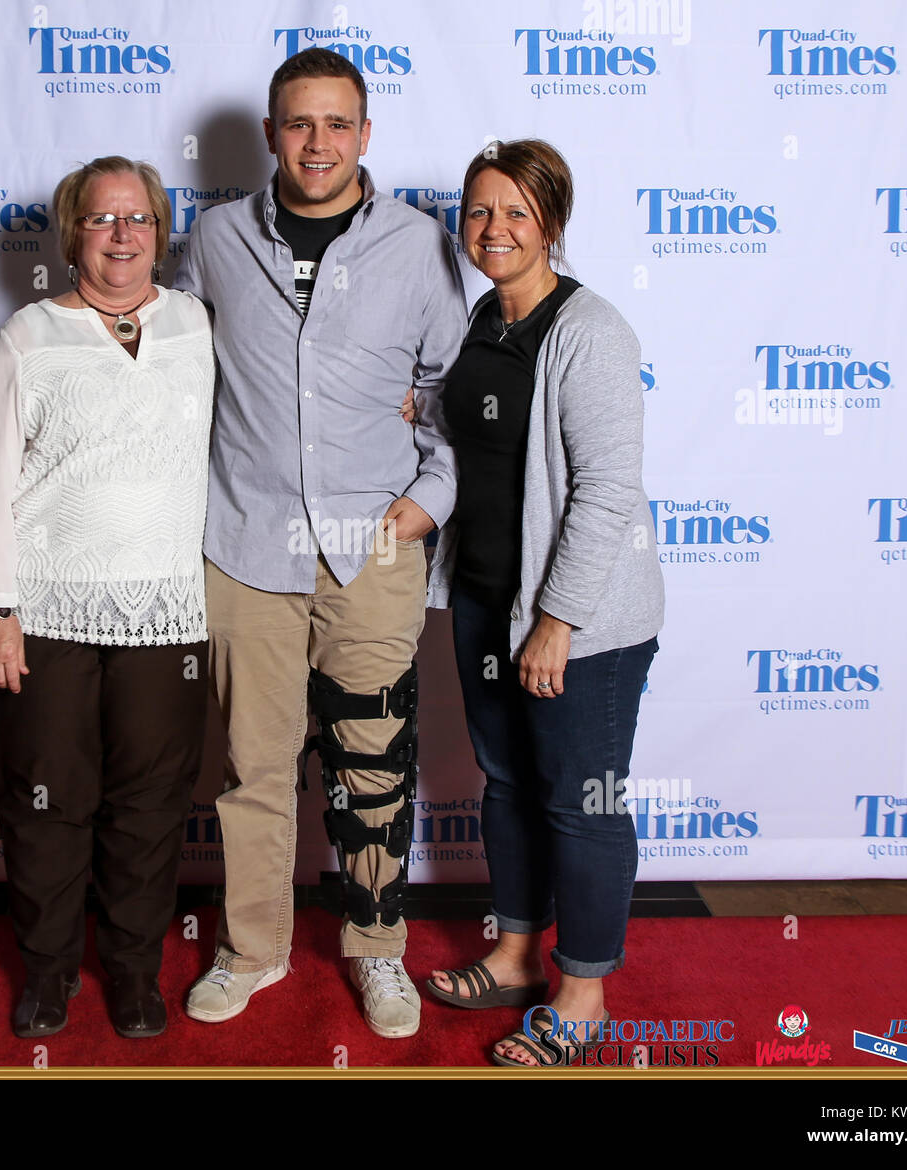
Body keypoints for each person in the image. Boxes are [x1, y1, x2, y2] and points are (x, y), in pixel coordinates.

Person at [173, 48, 465, 1038]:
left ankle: (377, 950)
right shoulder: (211, 241)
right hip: (247, 544)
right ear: (269, 133)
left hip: (373, 546)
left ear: (365, 135)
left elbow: (452, 396)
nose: (317, 143)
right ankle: (251, 949)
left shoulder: (421, 247)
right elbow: (172, 373)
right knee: (251, 767)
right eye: (299, 123)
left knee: (373, 761)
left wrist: (430, 496)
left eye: (337, 124)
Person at [0, 156, 215, 1040]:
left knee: (149, 807)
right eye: (103, 219)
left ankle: (136, 974)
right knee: (45, 797)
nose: (122, 235)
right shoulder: (27, 338)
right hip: (47, 612)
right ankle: (46, 972)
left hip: (168, 612)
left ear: (160, 231)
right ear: (73, 232)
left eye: (138, 218)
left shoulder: (195, 325)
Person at [424, 139, 664, 1066]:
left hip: (580, 623)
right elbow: (477, 435)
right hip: (486, 600)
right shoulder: (485, 319)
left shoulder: (591, 330)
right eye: (479, 212)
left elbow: (607, 488)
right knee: (509, 785)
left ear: (552, 226)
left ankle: (583, 988)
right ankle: (518, 951)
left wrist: (556, 623)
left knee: (582, 802)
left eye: (516, 213)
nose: (493, 229)